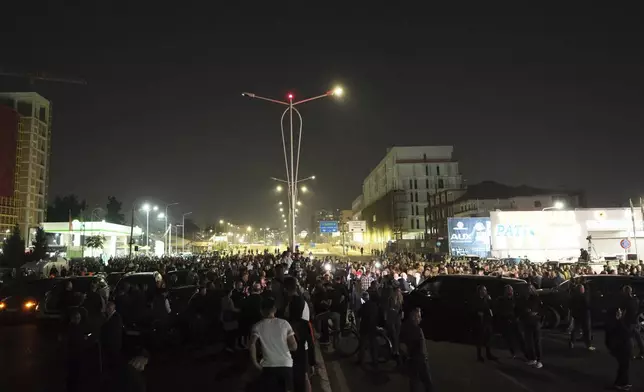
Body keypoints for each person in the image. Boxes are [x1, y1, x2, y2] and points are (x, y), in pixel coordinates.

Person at [250, 297, 298, 392]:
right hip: (286, 365)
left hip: (268, 366)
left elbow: (252, 344)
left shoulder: (257, 326)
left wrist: (255, 363)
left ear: (261, 311)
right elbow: (294, 346)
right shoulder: (284, 324)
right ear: (275, 309)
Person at [284, 277, 313, 392]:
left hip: (299, 342)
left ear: (286, 289)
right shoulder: (299, 300)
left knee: (302, 376)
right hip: (300, 341)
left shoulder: (296, 302)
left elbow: (295, 323)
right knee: (303, 375)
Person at [401, 307, 433, 392]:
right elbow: (422, 348)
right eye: (419, 316)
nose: (420, 319)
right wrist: (425, 358)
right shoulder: (418, 330)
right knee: (427, 382)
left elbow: (402, 343)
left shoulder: (404, 327)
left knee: (414, 381)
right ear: (414, 317)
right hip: (420, 360)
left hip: (411, 358)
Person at [605, 308, 632, 390]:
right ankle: (621, 383)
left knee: (624, 365)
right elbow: (624, 333)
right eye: (619, 312)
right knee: (624, 365)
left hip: (622, 346)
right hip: (621, 347)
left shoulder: (618, 321)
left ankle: (622, 382)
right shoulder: (615, 323)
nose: (621, 313)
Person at [496, 284, 524, 358]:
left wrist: (517, 317)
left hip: (514, 320)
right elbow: (499, 310)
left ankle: (524, 350)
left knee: (519, 336)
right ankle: (513, 352)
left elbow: (519, 309)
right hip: (506, 320)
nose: (510, 292)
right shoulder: (501, 300)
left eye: (511, 290)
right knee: (509, 338)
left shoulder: (515, 299)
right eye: (508, 290)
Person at [472, 285, 496, 362]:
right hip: (480, 322)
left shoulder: (487, 299)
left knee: (488, 338)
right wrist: (478, 313)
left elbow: (492, 307)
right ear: (479, 291)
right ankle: (479, 356)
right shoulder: (476, 299)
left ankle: (488, 354)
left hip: (488, 320)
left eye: (485, 290)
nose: (484, 291)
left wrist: (490, 300)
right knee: (480, 339)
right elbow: (473, 309)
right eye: (483, 290)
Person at [357, 291, 380, 369]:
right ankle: (375, 361)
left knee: (362, 344)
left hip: (365, 327)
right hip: (372, 327)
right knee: (373, 344)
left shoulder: (365, 305)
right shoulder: (376, 306)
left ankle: (361, 360)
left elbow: (359, 314)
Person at [569, 283, 595, 350]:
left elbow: (570, 305)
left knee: (575, 329)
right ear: (581, 289)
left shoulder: (573, 296)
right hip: (585, 315)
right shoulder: (584, 296)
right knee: (586, 330)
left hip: (576, 315)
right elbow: (587, 305)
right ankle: (588, 345)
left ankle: (572, 342)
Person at [522, 284, 543, 368]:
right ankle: (532, 358)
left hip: (535, 321)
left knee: (537, 341)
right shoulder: (524, 299)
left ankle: (539, 360)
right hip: (527, 321)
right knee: (529, 342)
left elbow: (542, 309)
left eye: (530, 288)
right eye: (527, 289)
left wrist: (536, 313)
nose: (529, 290)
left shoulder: (536, 298)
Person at [621, 285, 644, 359]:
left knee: (629, 337)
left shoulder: (626, 301)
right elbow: (639, 309)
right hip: (635, 320)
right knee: (638, 337)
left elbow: (624, 312)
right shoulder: (636, 299)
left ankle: (630, 354)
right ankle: (642, 352)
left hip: (629, 321)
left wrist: (621, 319)